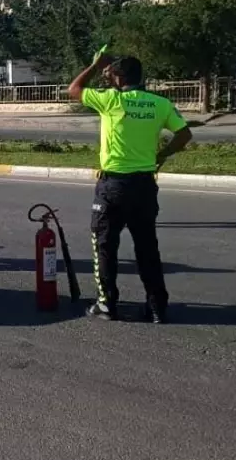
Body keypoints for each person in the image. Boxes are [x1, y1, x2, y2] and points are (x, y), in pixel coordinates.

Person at [67, 52, 193, 323]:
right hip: (145, 186)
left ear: (120, 78)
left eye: (111, 74)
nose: (108, 78)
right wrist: (162, 155)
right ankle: (157, 307)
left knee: (104, 245)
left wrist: (94, 66)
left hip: (113, 185)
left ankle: (107, 304)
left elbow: (74, 89)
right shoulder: (160, 104)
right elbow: (185, 134)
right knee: (147, 248)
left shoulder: (111, 100)